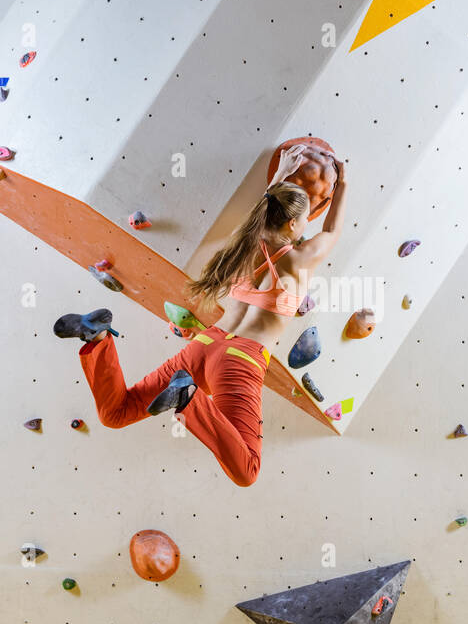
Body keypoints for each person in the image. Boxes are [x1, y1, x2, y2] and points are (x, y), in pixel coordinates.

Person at [54, 145, 348, 487]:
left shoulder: (246, 242)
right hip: (240, 361)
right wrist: (343, 185)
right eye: (306, 217)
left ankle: (98, 337)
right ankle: (188, 398)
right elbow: (332, 232)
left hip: (206, 344)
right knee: (246, 471)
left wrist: (283, 171)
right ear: (294, 222)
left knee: (116, 413)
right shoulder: (300, 260)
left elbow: (267, 204)